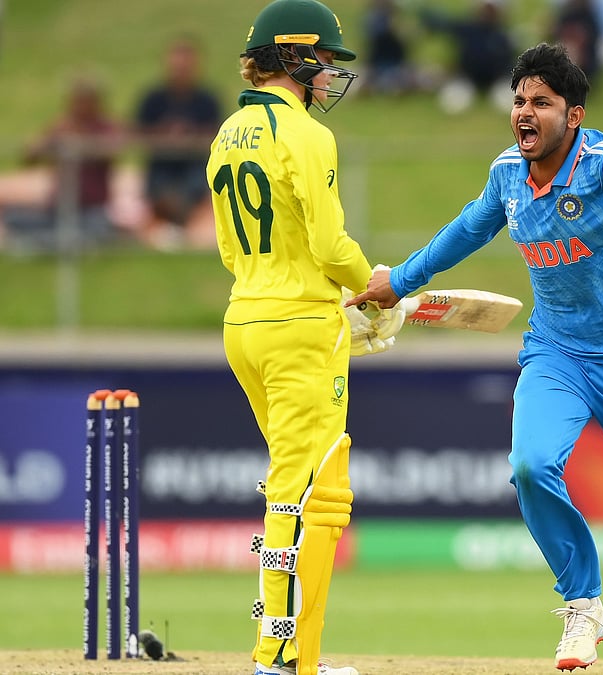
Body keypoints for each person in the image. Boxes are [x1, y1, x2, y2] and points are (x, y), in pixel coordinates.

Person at [346, 42, 603, 675]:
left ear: (573, 116)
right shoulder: (507, 176)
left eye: (541, 102)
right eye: (519, 100)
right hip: (557, 353)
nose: (525, 111)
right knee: (530, 465)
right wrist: (400, 280)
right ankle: (583, 603)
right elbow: (467, 229)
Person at [206, 1, 377, 673]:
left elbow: (230, 249)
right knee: (313, 494)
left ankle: (278, 650)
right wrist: (374, 287)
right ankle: (284, 659)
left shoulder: (228, 132)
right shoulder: (306, 134)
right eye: (325, 62)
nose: (331, 75)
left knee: (288, 486)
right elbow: (331, 246)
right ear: (294, 58)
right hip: (300, 327)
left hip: (245, 319)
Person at [1, 76, 126, 253]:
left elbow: (111, 153)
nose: (81, 106)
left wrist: (81, 140)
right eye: (77, 100)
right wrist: (46, 143)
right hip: (58, 209)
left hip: (92, 209)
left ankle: (45, 243)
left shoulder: (107, 128)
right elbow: (29, 158)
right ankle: (59, 242)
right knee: (13, 218)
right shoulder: (61, 126)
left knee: (99, 228)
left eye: (86, 100)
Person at [135, 35, 222, 250]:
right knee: (159, 189)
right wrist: (164, 134)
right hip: (161, 167)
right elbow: (138, 132)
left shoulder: (207, 100)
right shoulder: (153, 99)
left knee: (198, 186)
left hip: (195, 166)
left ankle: (188, 230)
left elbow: (216, 132)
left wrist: (190, 135)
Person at [419, 0, 516, 114]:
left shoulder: (506, 34)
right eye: (485, 9)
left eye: (491, 10)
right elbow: (437, 22)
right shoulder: (465, 29)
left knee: (508, 103)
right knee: (453, 103)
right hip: (466, 78)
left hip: (500, 79)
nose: (487, 13)